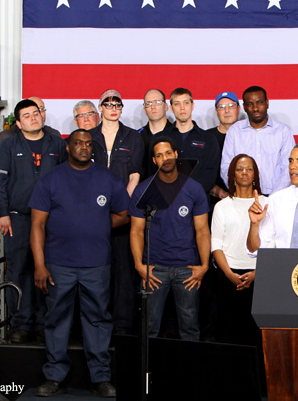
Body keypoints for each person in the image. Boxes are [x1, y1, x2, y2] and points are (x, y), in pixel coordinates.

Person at [28, 130, 129, 398]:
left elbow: (124, 214)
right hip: (58, 263)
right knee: (57, 319)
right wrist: (39, 265)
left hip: (97, 263)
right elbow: (37, 225)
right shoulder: (51, 180)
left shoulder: (108, 179)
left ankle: (101, 378)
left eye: (88, 143)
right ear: (68, 147)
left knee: (98, 320)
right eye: (78, 143)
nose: (84, 147)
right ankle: (54, 376)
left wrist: (96, 225)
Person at [0, 99, 67, 343]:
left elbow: (68, 179)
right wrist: (4, 213)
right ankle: (22, 324)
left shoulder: (57, 143)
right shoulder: (8, 145)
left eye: (36, 113)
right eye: (27, 115)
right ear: (18, 123)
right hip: (19, 218)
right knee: (20, 270)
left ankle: (46, 323)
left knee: (49, 270)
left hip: (52, 220)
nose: (33, 118)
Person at [129, 137, 211, 341]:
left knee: (190, 328)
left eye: (168, 153)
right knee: (149, 329)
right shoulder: (143, 190)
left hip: (187, 269)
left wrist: (204, 265)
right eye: (159, 155)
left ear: (176, 154)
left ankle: (189, 364)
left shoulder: (194, 188)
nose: (164, 158)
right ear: (154, 160)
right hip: (154, 269)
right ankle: (149, 364)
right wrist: (139, 265)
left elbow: (202, 230)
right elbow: (136, 231)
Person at [89, 89, 144, 334]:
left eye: (117, 104)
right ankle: (97, 323)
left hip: (123, 214)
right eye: (108, 104)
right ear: (100, 107)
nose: (113, 108)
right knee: (97, 272)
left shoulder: (133, 137)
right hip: (94, 215)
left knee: (124, 271)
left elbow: (135, 176)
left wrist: (123, 204)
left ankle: (122, 326)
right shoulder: (89, 137)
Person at [211, 154, 265, 346]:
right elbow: (216, 245)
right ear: (232, 174)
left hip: (259, 274)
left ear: (255, 174)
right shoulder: (222, 206)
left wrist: (256, 273)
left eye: (249, 169)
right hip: (228, 274)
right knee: (229, 330)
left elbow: (273, 245)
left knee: (255, 333)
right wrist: (229, 274)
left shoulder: (266, 203)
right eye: (240, 169)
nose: (244, 173)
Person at [221, 86, 294, 196]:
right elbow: (226, 167)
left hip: (277, 197)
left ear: (267, 103)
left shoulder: (283, 131)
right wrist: (241, 193)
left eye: (259, 103)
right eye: (250, 104)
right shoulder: (234, 131)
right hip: (244, 197)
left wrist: (273, 197)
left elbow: (288, 167)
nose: (255, 108)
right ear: (244, 107)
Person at [0, 96, 60, 183]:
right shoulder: (6, 137)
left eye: (41, 110)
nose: (34, 117)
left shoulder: (53, 135)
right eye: (28, 114)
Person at [167, 87, 221, 196]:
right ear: (171, 108)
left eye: (186, 103)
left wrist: (188, 192)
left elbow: (210, 176)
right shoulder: (161, 138)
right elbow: (154, 172)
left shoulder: (208, 139)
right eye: (177, 104)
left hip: (198, 200)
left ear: (192, 106)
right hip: (168, 199)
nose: (182, 108)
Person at [207, 91, 241, 200]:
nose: (227, 110)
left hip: (244, 198)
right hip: (213, 200)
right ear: (216, 111)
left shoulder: (248, 136)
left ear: (238, 109)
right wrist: (216, 190)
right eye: (221, 107)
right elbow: (201, 172)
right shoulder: (206, 137)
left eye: (231, 106)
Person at [138, 89, 175, 178]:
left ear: (165, 106)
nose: (153, 107)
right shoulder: (137, 137)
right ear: (145, 110)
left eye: (157, 102)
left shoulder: (177, 134)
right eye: (148, 103)